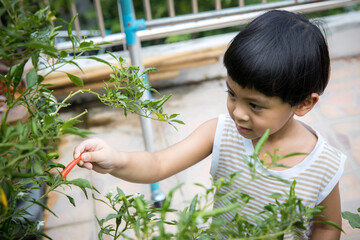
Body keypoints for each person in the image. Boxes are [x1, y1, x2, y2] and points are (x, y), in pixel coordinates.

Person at [74, 10, 345, 239]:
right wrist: (117, 160)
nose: (237, 113)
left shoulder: (322, 165)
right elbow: (158, 165)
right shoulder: (221, 132)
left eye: (255, 105)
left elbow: (326, 228)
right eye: (232, 94)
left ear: (303, 104)